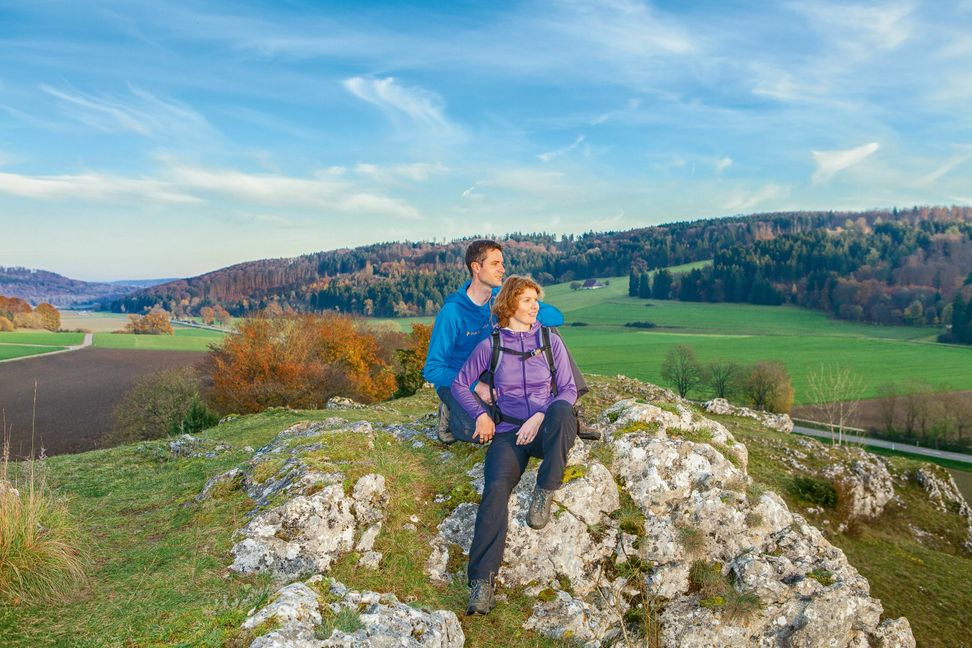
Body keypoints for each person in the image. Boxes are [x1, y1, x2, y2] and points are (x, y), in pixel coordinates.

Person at [450, 276, 578, 615]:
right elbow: (460, 384)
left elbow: (568, 389)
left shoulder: (550, 340)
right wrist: (480, 415)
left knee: (563, 412)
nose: (535, 307)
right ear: (509, 305)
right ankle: (482, 583)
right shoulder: (490, 345)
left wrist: (540, 415)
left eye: (536, 300)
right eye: (527, 301)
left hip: (545, 428)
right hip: (508, 432)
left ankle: (545, 489)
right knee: (494, 489)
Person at [423, 240, 564, 444]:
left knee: (550, 333)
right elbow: (433, 369)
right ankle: (449, 412)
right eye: (495, 264)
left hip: (495, 372)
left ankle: (565, 405)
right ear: (476, 267)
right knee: (478, 431)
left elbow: (555, 317)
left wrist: (521, 309)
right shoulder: (452, 312)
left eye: (502, 264)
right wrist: (476, 386)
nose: (502, 269)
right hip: (458, 379)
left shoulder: (500, 300)